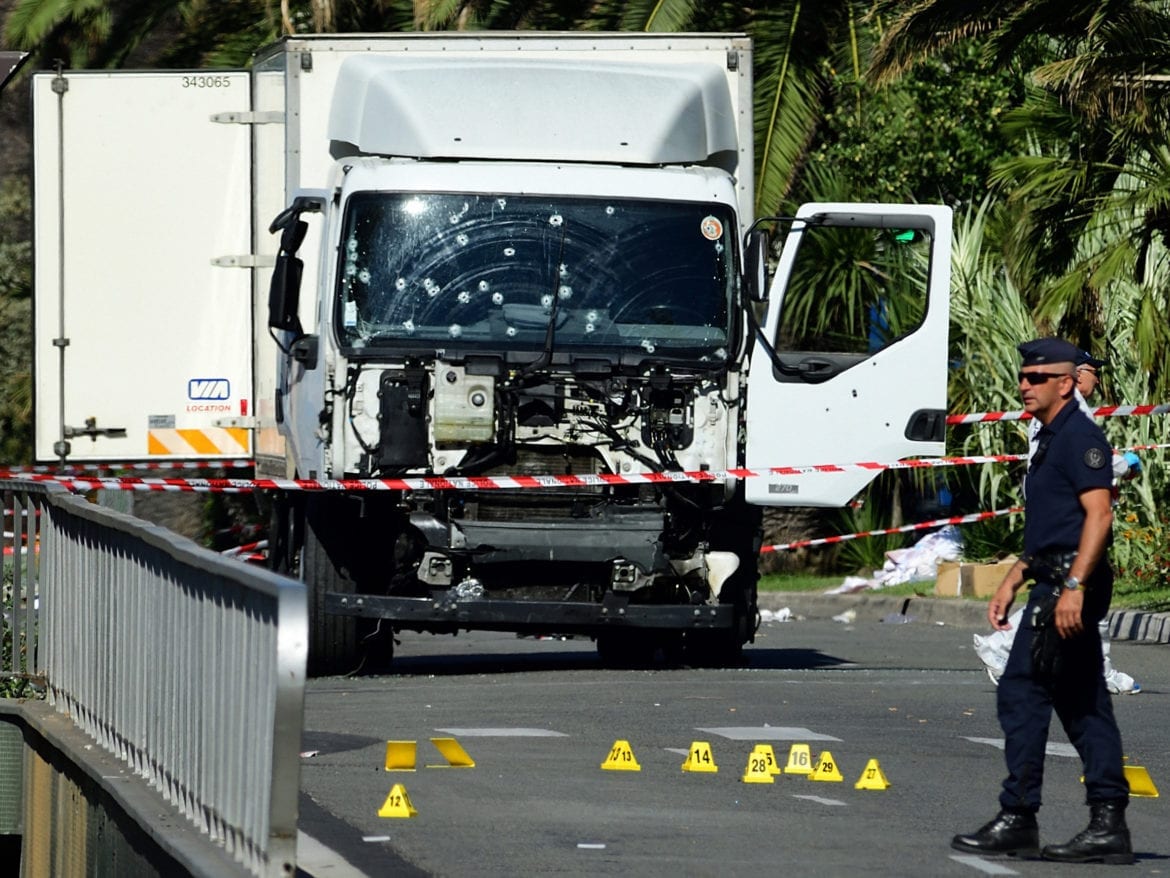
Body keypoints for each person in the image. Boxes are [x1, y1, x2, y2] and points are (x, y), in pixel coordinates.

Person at [952, 337, 1133, 864]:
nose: (1024, 385)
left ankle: (1022, 817)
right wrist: (1015, 575)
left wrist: (1073, 587)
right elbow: (1055, 523)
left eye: (1037, 378)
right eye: (1023, 377)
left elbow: (1099, 516)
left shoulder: (1079, 437)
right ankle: (1102, 823)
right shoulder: (1051, 437)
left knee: (1024, 692)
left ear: (1065, 382)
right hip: (1051, 577)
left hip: (1067, 587)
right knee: (1080, 702)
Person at [973, 347, 1142, 694]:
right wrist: (1125, 464)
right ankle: (1003, 647)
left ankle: (1098, 669)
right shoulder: (1074, 410)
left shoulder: (1058, 409)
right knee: (1070, 584)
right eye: (1094, 371)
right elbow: (1091, 466)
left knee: (1081, 585)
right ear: (1078, 375)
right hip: (1070, 507)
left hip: (1054, 500)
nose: (1098, 378)